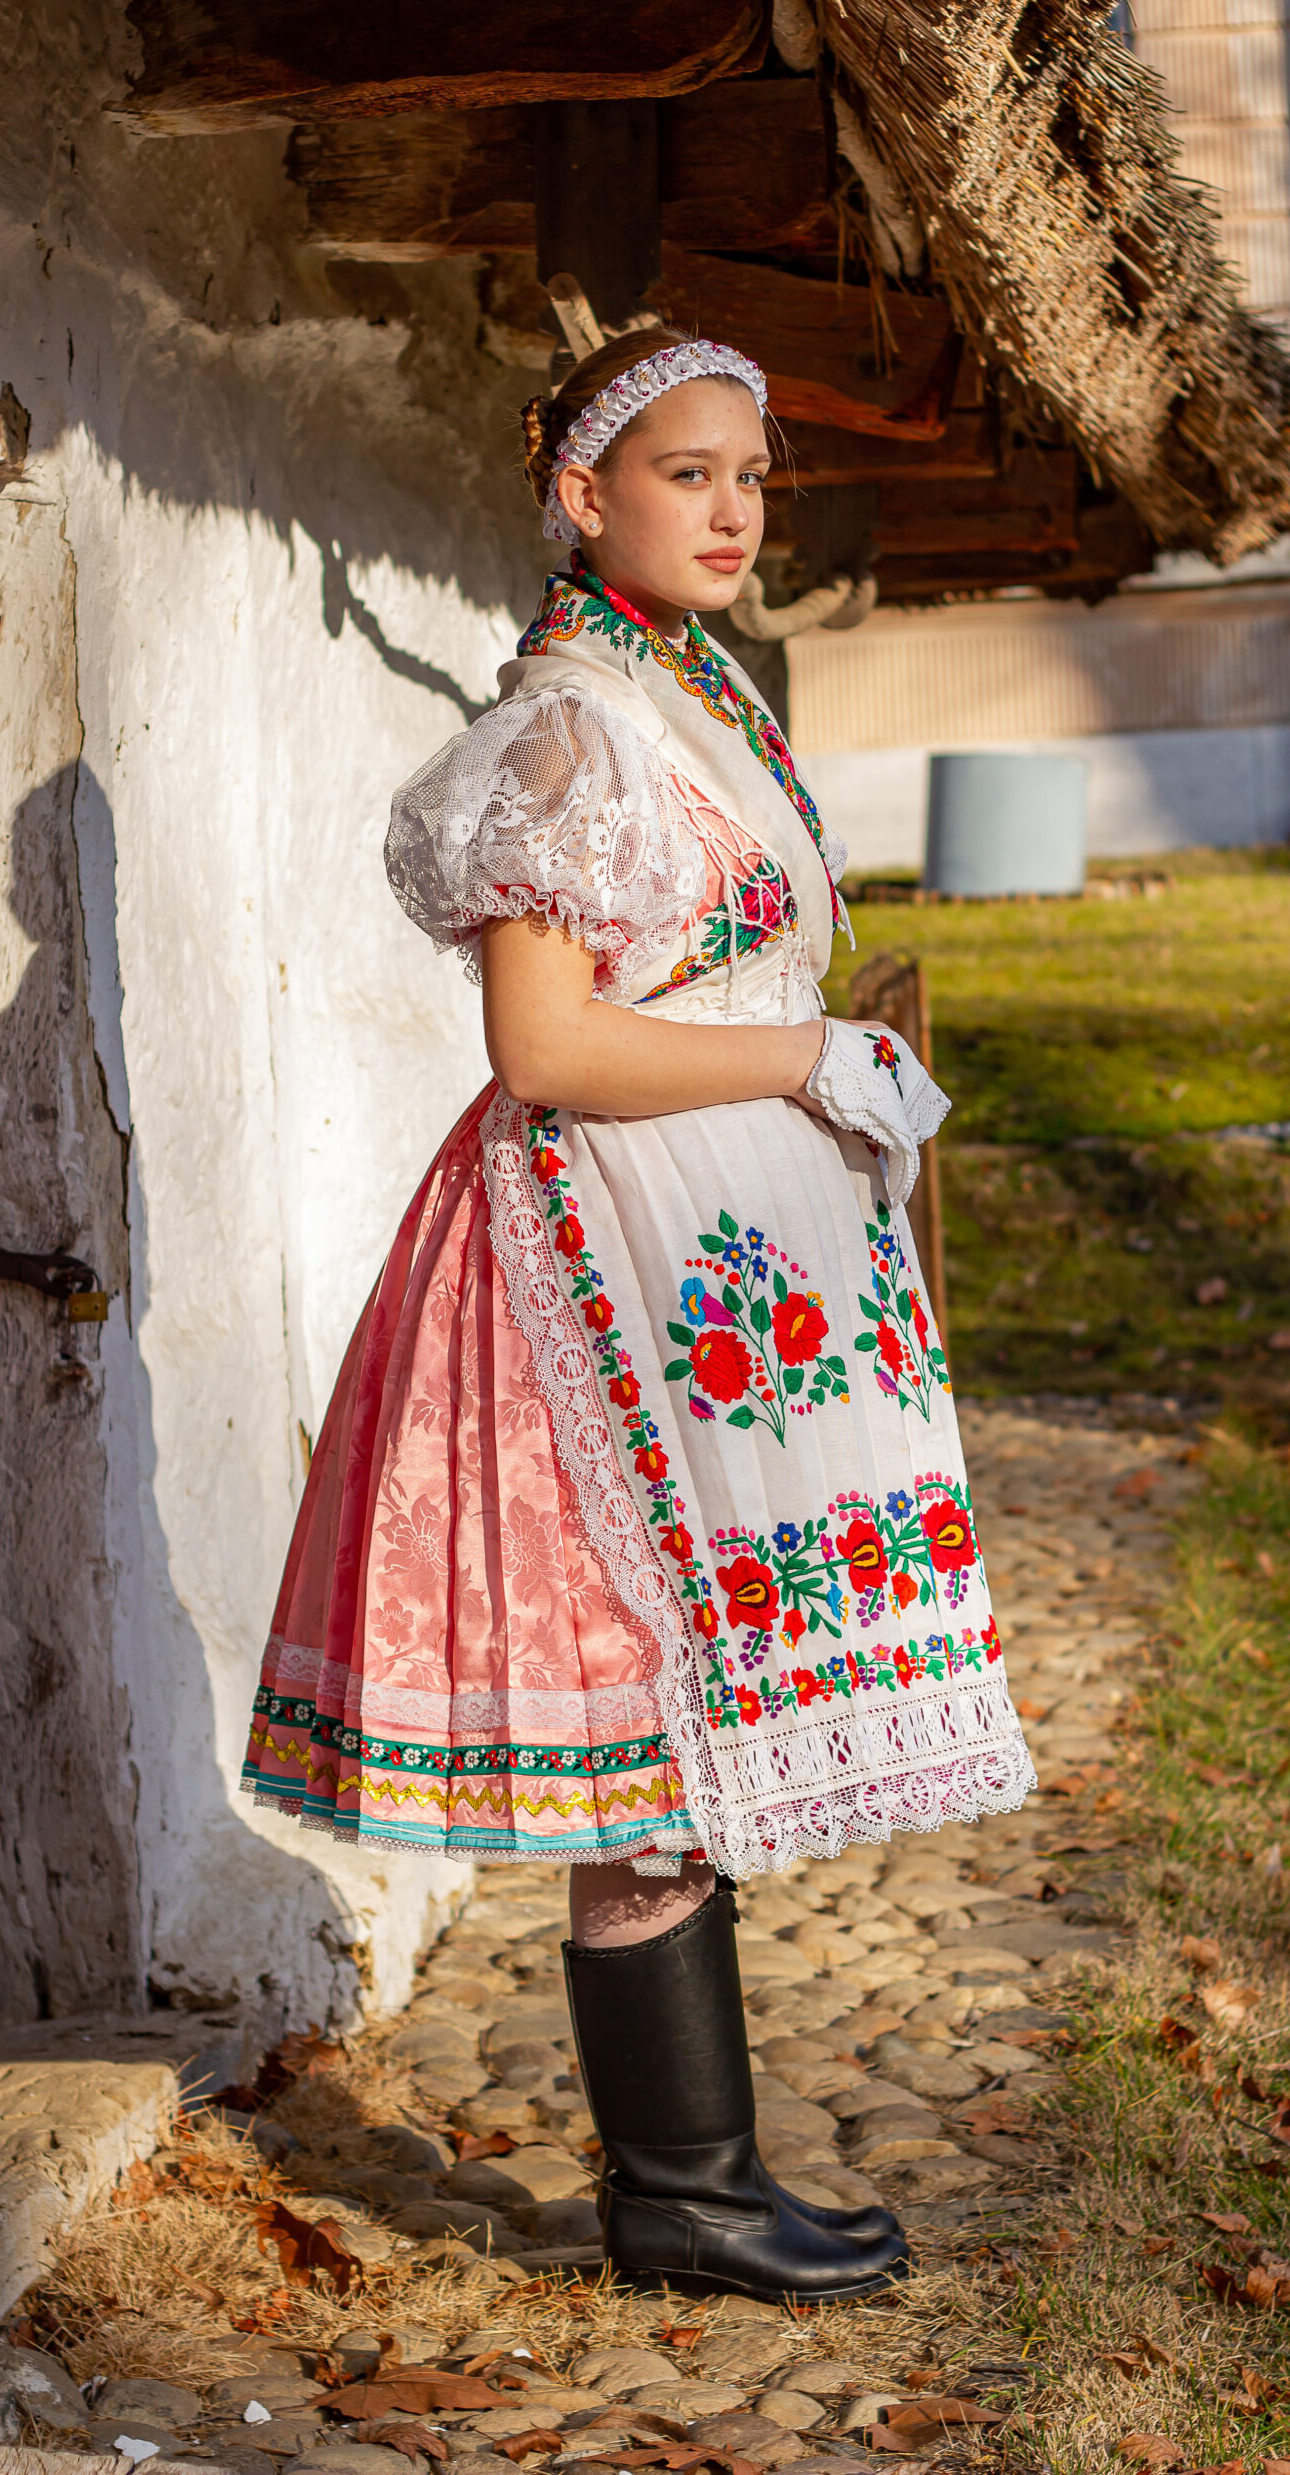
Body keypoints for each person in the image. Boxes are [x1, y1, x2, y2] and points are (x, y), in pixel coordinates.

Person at [243, 323, 1035, 2301]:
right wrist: (804, 1058)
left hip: (719, 1275)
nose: (736, 510)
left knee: (693, 1757)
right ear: (584, 495)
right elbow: (547, 1045)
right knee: (654, 1746)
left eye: (752, 477)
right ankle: (682, 2192)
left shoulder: (689, 695)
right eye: (690, 474)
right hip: (603, 1276)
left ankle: (701, 2181)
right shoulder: (570, 732)